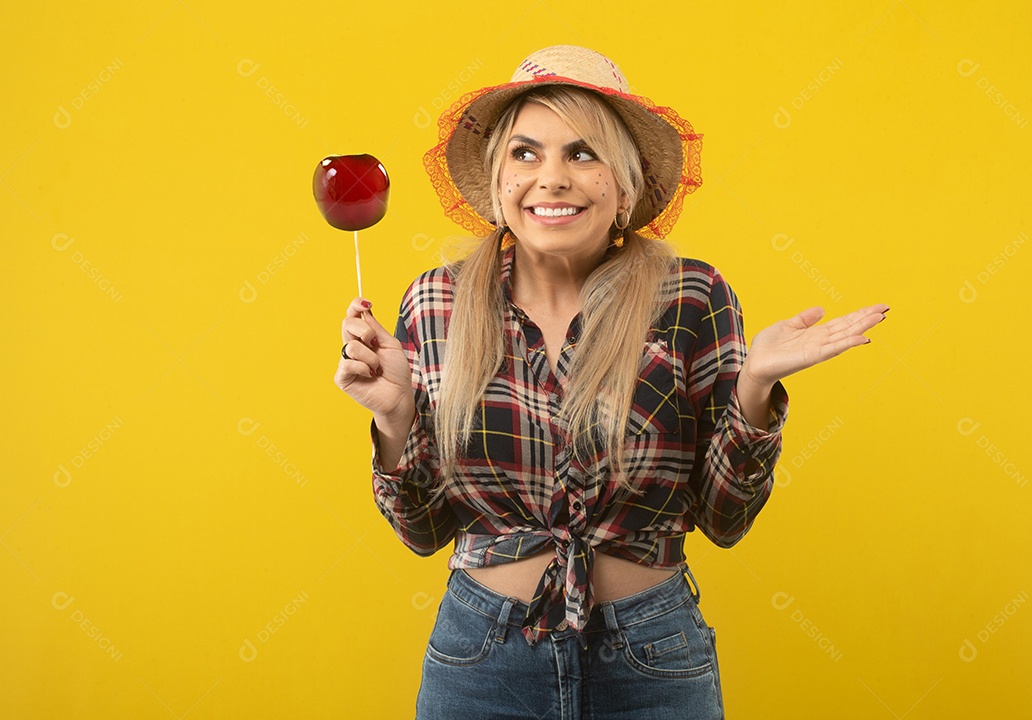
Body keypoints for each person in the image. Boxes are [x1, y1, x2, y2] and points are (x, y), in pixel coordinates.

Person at [335, 45, 887, 720]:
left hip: (652, 655)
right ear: (497, 181)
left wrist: (754, 391)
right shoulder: (437, 304)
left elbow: (725, 519)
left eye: (584, 154)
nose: (553, 178)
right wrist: (394, 420)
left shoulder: (690, 297)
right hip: (482, 659)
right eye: (526, 153)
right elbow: (422, 531)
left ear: (625, 188)